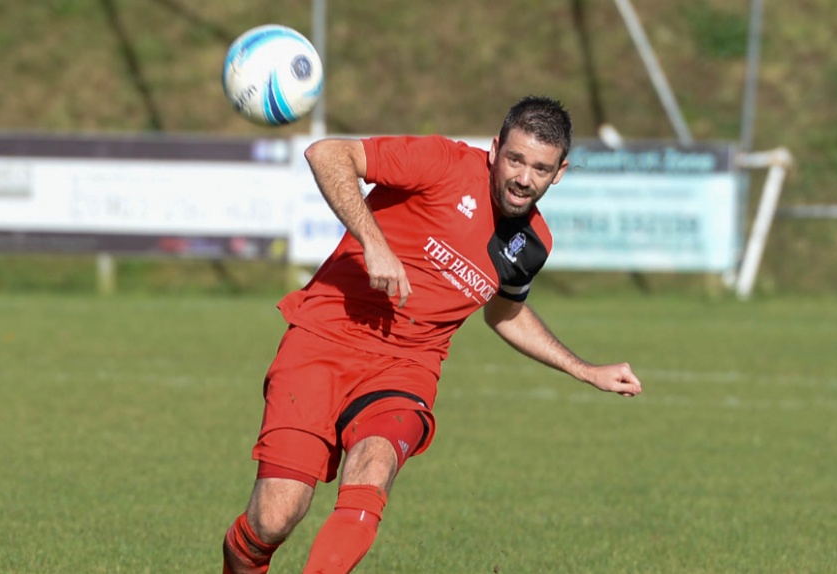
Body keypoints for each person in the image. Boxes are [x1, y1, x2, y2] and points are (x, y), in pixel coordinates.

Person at [221, 95, 643, 574]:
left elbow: (504, 313)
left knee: (373, 473)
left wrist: (585, 369)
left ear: (559, 173)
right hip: (326, 337)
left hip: (408, 368)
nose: (524, 178)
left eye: (540, 169)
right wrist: (374, 244)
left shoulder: (531, 244)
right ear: (494, 149)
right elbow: (328, 154)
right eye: (516, 160)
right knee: (274, 518)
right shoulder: (442, 163)